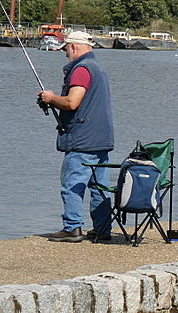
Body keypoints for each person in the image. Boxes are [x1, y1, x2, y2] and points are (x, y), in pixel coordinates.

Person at [38, 31, 114, 242]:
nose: (65, 54)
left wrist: (51, 98)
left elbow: (72, 102)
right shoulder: (98, 68)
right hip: (102, 138)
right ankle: (102, 229)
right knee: (100, 187)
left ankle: (72, 227)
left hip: (82, 139)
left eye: (65, 49)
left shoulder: (81, 69)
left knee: (72, 184)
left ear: (73, 47)